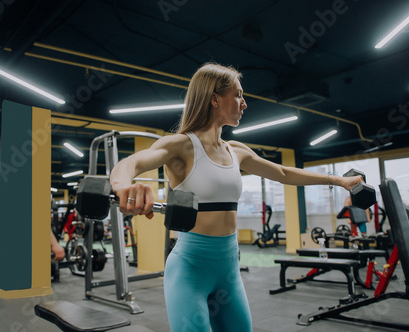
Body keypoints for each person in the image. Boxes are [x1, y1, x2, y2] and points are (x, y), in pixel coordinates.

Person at [109, 62, 363, 331]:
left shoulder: (236, 151)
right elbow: (132, 163)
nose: (244, 103)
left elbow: (283, 174)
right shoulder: (181, 145)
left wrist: (338, 181)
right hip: (190, 268)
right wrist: (123, 185)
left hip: (229, 268)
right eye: (239, 95)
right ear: (214, 99)